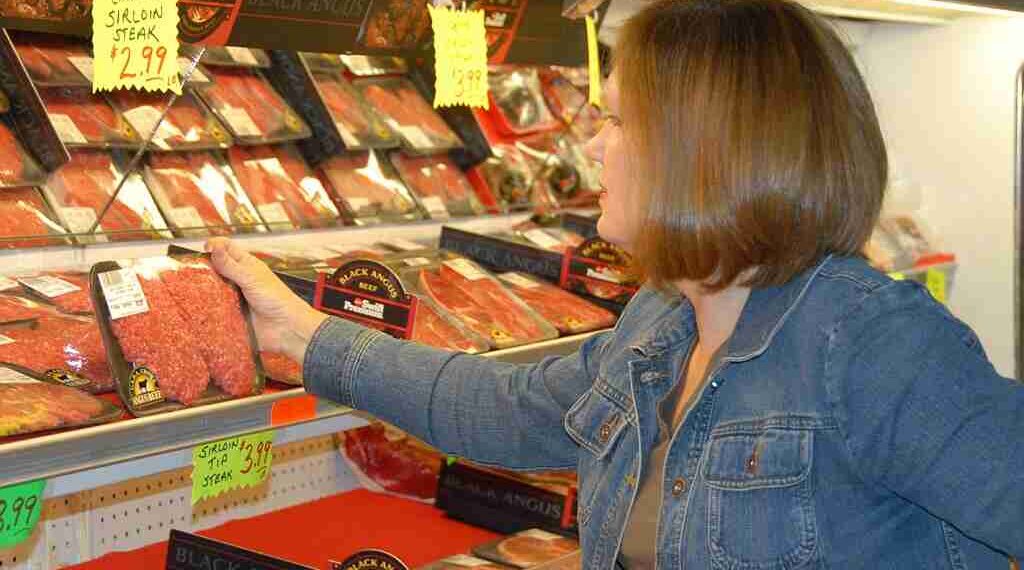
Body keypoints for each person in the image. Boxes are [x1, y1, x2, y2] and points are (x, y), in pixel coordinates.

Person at [207, 0, 1024, 567]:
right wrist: (305, 338)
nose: (594, 148)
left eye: (621, 121)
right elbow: (504, 408)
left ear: (710, 149)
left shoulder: (874, 344)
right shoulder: (664, 323)